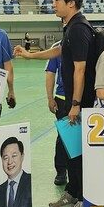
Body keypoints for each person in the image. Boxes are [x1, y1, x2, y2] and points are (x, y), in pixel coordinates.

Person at [14, 0, 97, 207]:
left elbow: (80, 69)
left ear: (71, 3)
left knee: (79, 154)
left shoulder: (80, 28)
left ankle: (84, 199)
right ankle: (72, 192)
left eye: (56, 0)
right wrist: (30, 56)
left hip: (77, 104)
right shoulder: (69, 26)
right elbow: (60, 51)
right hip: (68, 102)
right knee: (71, 151)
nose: (53, 4)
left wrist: (75, 104)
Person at [45, 40, 67, 186]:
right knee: (63, 137)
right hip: (62, 98)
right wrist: (50, 98)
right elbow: (50, 73)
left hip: (84, 98)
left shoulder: (86, 44)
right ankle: (61, 170)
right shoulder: (56, 48)